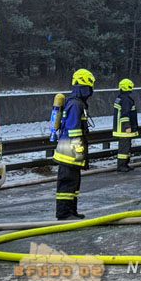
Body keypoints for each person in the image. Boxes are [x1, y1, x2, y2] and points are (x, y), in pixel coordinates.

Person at [54, 69, 95, 220]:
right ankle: (64, 214)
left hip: (72, 151)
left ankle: (72, 211)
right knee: (67, 182)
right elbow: (73, 130)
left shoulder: (77, 103)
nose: (91, 90)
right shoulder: (75, 104)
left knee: (74, 183)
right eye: (89, 86)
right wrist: (79, 150)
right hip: (69, 151)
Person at [112, 78, 138, 172]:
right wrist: (127, 126)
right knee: (124, 148)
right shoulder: (126, 99)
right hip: (123, 129)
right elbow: (125, 114)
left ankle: (125, 164)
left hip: (120, 127)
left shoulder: (120, 98)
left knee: (125, 147)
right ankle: (122, 165)